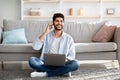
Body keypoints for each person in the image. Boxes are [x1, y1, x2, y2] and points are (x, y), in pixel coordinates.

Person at [29, 13, 80, 77]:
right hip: (45, 63)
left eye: (61, 21)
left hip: (62, 64)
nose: (59, 23)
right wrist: (46, 32)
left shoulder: (69, 38)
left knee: (76, 64)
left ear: (63, 23)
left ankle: (46, 73)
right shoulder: (46, 35)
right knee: (32, 60)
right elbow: (35, 47)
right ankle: (61, 71)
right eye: (57, 21)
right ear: (53, 23)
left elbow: (72, 55)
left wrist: (66, 59)